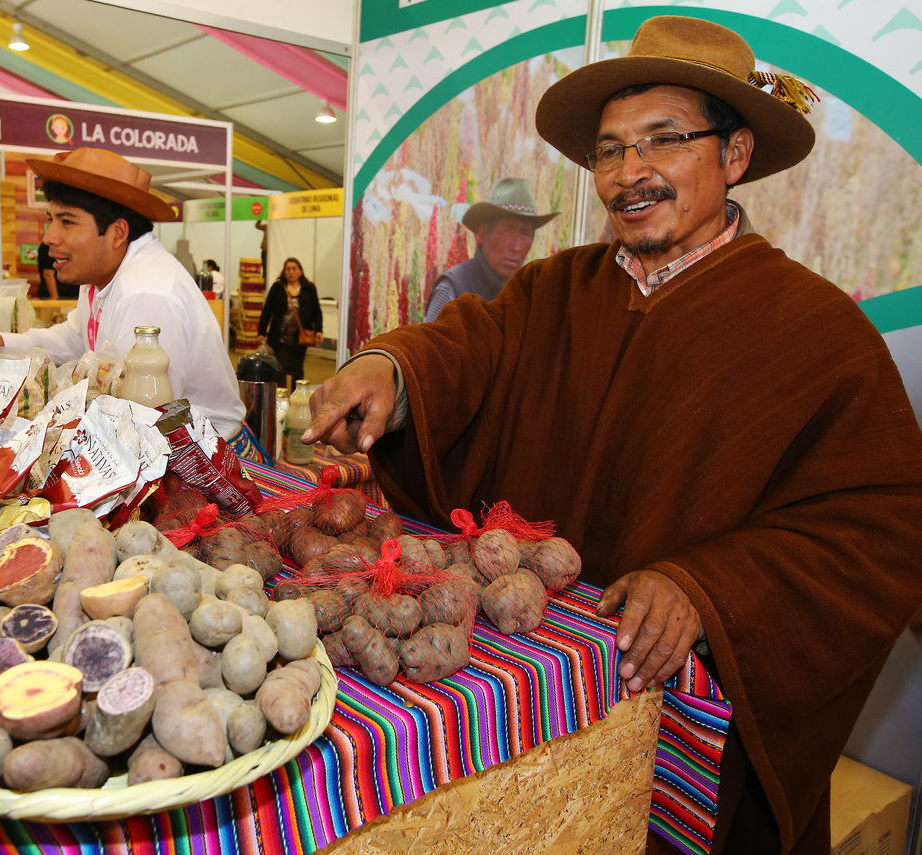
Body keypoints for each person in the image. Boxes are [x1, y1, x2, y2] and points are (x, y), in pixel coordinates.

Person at [303, 16, 922, 855]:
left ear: (734, 156)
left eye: (663, 141)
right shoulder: (555, 288)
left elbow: (877, 529)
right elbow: (467, 346)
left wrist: (708, 589)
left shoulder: (814, 331)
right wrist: (388, 368)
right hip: (526, 713)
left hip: (683, 723)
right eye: (607, 150)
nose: (629, 173)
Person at [0, 147, 245, 438]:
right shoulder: (101, 275)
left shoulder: (146, 292)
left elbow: (143, 418)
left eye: (67, 222)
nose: (49, 236)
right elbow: (78, 338)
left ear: (117, 232)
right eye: (50, 219)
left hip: (202, 457)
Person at [423, 177, 558, 322]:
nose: (516, 247)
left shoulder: (527, 294)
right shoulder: (452, 290)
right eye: (508, 230)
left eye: (525, 233)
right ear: (483, 233)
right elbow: (427, 344)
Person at [256, 257, 323, 390]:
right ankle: (281, 398)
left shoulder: (309, 288)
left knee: (297, 369)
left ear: (300, 271)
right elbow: (267, 311)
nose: (291, 272)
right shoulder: (277, 288)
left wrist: (319, 330)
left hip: (300, 338)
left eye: (294, 269)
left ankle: (295, 397)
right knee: (281, 367)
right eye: (288, 269)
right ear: (284, 272)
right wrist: (261, 332)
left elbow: (317, 311)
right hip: (280, 337)